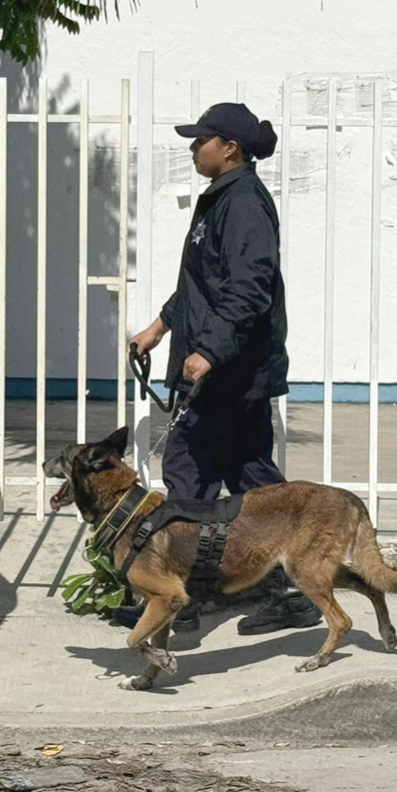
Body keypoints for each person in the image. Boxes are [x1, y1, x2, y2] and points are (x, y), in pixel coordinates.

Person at [129, 102, 322, 635]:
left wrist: (210, 351)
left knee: (187, 471)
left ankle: (180, 599)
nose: (193, 147)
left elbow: (248, 289)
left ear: (229, 148)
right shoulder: (223, 199)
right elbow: (201, 284)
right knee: (252, 479)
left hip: (230, 370)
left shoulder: (244, 205)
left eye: (201, 140)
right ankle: (292, 588)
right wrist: (160, 327)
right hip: (231, 367)